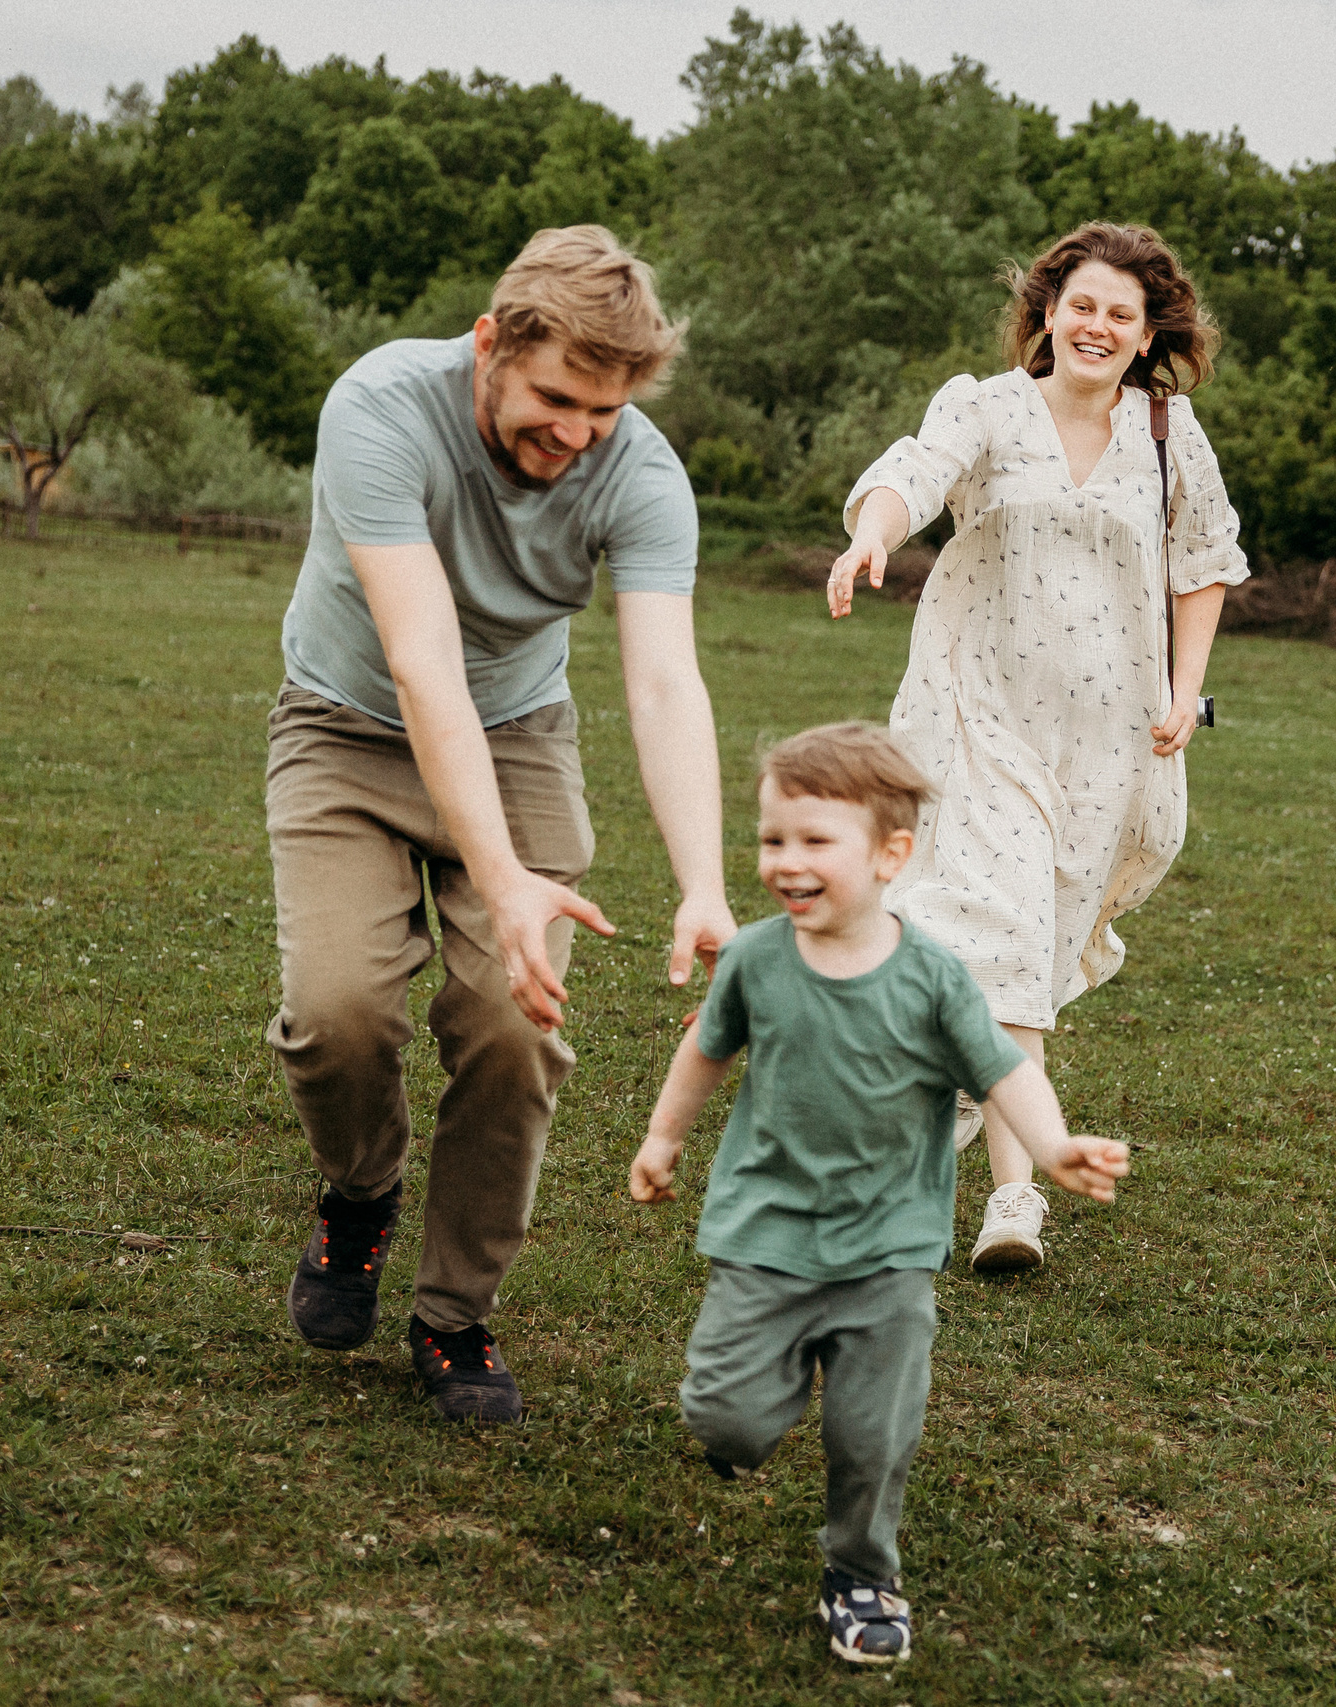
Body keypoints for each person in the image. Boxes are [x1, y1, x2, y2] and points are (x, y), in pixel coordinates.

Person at [267, 226, 736, 1423]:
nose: (576, 434)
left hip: (521, 737)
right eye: (555, 399)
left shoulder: (641, 473)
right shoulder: (378, 408)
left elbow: (663, 683)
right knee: (336, 1014)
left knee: (511, 1031)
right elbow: (422, 663)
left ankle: (453, 1318)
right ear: (490, 343)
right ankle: (359, 1196)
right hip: (348, 725)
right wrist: (501, 877)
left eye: (605, 410)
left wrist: (702, 881)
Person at [628, 723, 1130, 1667]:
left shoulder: (933, 978)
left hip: (890, 1251)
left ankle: (861, 1571)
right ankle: (756, 1408)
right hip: (766, 1234)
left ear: (892, 855)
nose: (786, 861)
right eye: (774, 838)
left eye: (816, 841)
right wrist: (663, 1137)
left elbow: (998, 1068)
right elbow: (706, 1049)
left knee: (872, 1435)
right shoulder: (756, 961)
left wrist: (1054, 1143)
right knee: (724, 1415)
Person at [826, 223, 1248, 1274]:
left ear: (1149, 334)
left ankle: (936, 1116)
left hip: (1108, 741)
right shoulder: (985, 404)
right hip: (977, 715)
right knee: (1006, 942)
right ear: (1047, 311)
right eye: (1082, 304)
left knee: (1027, 953)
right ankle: (1015, 1198)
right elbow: (917, 473)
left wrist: (1185, 695)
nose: (1098, 326)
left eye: (1122, 313)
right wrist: (873, 532)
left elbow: (1204, 561)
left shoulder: (1167, 431)